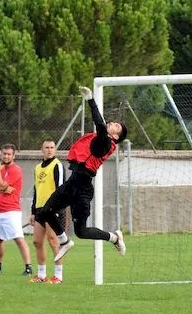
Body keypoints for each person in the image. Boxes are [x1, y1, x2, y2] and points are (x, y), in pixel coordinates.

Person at [35, 86, 128, 262]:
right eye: (113, 122)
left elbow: (100, 125)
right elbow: (100, 127)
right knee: (44, 212)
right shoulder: (99, 138)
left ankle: (114, 238)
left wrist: (90, 100)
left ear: (116, 136)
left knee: (82, 232)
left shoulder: (106, 143)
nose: (112, 123)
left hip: (83, 187)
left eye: (116, 126)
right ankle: (64, 241)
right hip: (73, 182)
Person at [0, 143, 33, 276]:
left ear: (13, 156)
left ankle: (28, 267)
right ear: (1, 154)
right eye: (4, 154)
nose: (6, 156)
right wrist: (3, 189)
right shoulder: (2, 169)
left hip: (11, 211)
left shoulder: (15, 170)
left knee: (18, 238)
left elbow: (1, 185)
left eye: (9, 154)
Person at [29, 139, 66, 283]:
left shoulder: (57, 165)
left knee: (53, 241)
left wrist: (56, 208)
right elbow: (36, 191)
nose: (49, 150)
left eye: (52, 147)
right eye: (47, 147)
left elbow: (61, 189)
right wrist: (33, 212)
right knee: (37, 241)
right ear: (42, 150)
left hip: (52, 209)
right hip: (40, 210)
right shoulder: (38, 168)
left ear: (55, 150)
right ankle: (41, 275)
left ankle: (58, 276)